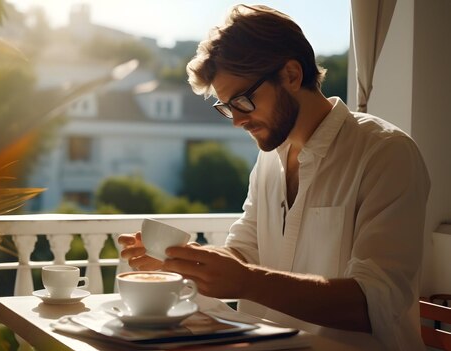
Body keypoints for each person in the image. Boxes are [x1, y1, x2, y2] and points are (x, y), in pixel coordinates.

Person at [118, 4, 430, 351]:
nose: (236, 120)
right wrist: (185, 262)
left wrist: (250, 282)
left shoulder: (385, 153)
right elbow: (244, 254)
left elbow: (376, 304)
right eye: (226, 107)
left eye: (242, 101)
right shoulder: (268, 160)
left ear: (292, 75)